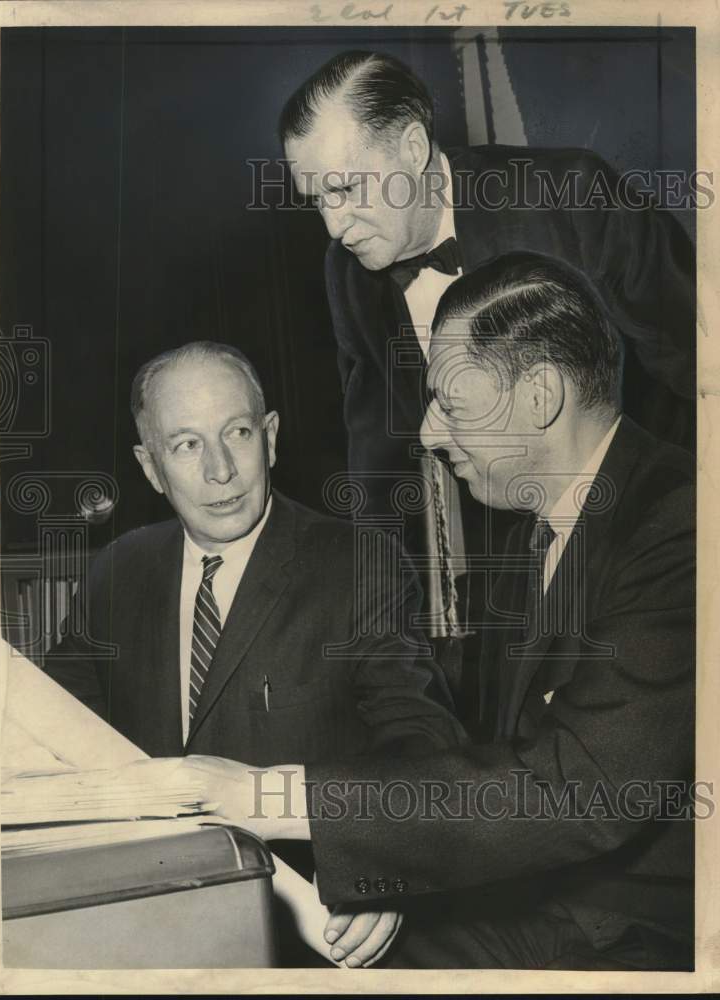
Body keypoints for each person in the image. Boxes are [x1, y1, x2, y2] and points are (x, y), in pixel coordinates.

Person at [177, 254, 695, 971]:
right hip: (545, 902)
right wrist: (387, 866)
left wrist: (253, 795)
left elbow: (578, 791)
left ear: (539, 396)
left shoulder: (684, 526)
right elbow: (481, 765)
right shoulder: (528, 531)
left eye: (449, 404)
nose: (426, 434)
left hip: (654, 937)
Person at [278, 49, 696, 720]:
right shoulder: (347, 271)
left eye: (346, 189)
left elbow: (697, 366)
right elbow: (377, 457)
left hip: (644, 541)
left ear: (412, 145)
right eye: (315, 200)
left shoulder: (570, 197)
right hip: (501, 581)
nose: (332, 224)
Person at [42, 340, 465, 966]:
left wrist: (381, 866)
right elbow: (49, 718)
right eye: (186, 444)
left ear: (269, 438)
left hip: (301, 937)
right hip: (139, 923)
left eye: (236, 432)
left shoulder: (357, 565)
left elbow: (427, 745)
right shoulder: (116, 570)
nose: (221, 471)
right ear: (150, 466)